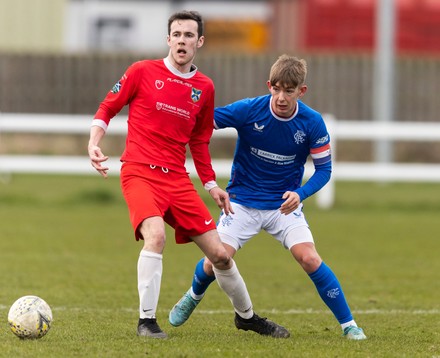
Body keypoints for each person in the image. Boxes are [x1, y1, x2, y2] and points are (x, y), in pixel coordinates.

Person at [87, 10, 289, 339]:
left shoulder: (204, 87)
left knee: (221, 255)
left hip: (177, 180)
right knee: (156, 236)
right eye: (177, 34)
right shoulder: (141, 71)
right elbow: (107, 107)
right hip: (139, 172)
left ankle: (247, 317)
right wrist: (94, 143)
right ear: (168, 39)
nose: (182, 40)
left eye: (189, 35)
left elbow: (199, 140)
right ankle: (146, 322)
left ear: (200, 42)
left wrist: (210, 185)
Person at [169, 54, 367, 340]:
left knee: (310, 259)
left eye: (289, 90)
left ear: (302, 90)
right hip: (241, 203)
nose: (281, 97)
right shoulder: (250, 110)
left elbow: (324, 170)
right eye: (276, 88)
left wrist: (300, 194)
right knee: (216, 260)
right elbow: (203, 122)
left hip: (283, 208)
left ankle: (349, 325)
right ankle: (193, 294)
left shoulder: (312, 123)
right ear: (269, 85)